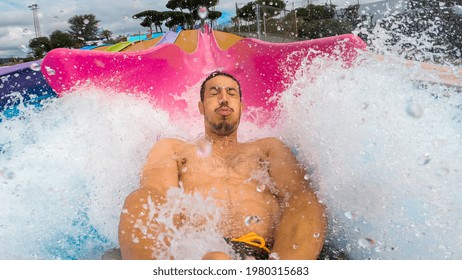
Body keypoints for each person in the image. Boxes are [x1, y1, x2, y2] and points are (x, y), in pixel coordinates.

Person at [118, 71, 327, 260]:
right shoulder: (173, 147)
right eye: (214, 93)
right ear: (201, 107)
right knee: (142, 197)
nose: (224, 98)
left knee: (306, 196)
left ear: (242, 107)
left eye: (232, 93)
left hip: (262, 252)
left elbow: (297, 194)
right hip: (191, 253)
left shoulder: (268, 147)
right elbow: (156, 196)